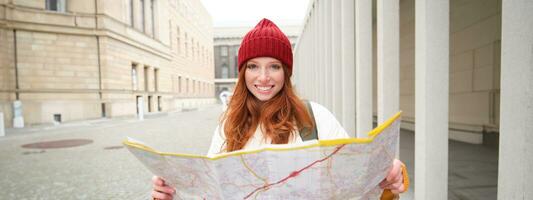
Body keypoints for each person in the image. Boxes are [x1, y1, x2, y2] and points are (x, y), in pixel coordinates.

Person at [151, 18, 409, 200]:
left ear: (286, 72)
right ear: (242, 72)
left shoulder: (314, 117)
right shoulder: (227, 125)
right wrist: (171, 195)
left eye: (274, 66)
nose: (263, 77)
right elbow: (212, 192)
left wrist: (386, 174)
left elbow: (356, 180)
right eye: (253, 66)